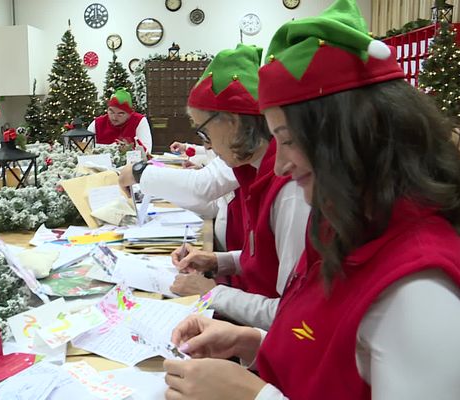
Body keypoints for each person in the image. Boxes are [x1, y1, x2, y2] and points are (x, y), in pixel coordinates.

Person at [164, 1, 460, 399]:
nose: (281, 165)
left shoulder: (419, 293)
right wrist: (254, 343)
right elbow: (325, 348)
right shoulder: (344, 225)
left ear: (349, 137)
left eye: (287, 140)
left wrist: (252, 396)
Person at [122, 44, 309, 329]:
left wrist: (211, 293)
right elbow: (264, 258)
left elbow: (292, 312)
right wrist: (217, 261)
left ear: (232, 122)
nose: (206, 145)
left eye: (204, 131)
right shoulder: (251, 171)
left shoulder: (289, 191)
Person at [88, 88, 152, 153]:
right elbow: (85, 147)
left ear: (130, 113)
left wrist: (129, 150)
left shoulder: (139, 121)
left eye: (120, 113)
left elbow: (146, 151)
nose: (114, 117)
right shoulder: (98, 123)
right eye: (111, 112)